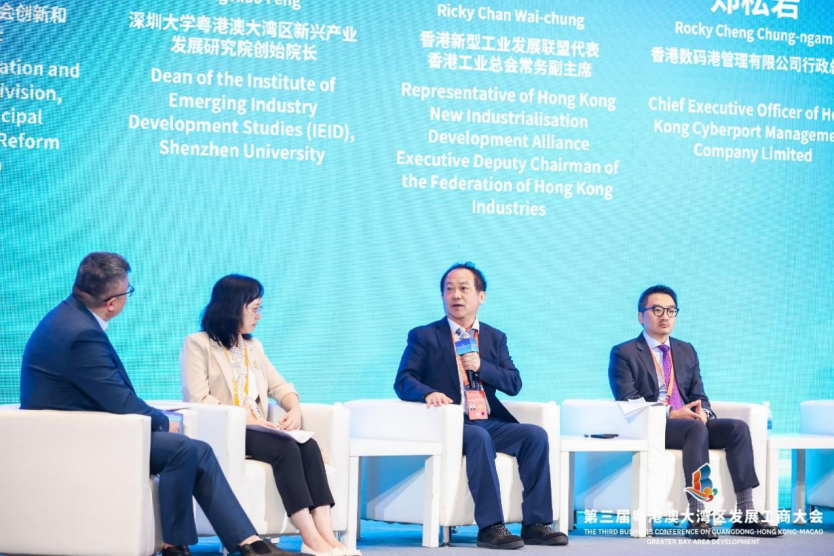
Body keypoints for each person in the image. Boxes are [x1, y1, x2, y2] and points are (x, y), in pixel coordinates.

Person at [19, 253, 288, 556]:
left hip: (83, 429)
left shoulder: (69, 317)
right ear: (112, 303)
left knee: (196, 450)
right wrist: (162, 421)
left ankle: (245, 543)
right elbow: (119, 400)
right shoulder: (80, 335)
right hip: (78, 440)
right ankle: (181, 546)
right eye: (128, 291)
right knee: (181, 448)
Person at [180, 275, 358, 556]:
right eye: (254, 308)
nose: (259, 316)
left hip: (258, 428)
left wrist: (294, 409)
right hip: (226, 430)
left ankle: (327, 536)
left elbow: (279, 386)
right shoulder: (198, 344)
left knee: (309, 446)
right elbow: (198, 398)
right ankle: (309, 536)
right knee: (286, 447)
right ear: (232, 307)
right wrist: (247, 419)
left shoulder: (253, 346)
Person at [394, 262, 567, 549]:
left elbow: (513, 383)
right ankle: (490, 527)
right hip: (450, 423)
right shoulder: (424, 336)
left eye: (464, 288)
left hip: (486, 419)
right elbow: (403, 380)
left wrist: (481, 366)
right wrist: (428, 393)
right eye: (449, 289)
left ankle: (536, 524)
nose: (456, 295)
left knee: (535, 435)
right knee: (478, 436)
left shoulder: (494, 337)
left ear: (481, 296)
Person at [608, 284, 783, 539]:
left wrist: (705, 413)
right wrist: (669, 413)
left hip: (691, 422)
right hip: (654, 424)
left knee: (737, 428)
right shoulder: (624, 352)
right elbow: (628, 399)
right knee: (695, 428)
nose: (665, 316)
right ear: (640, 316)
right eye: (657, 310)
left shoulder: (685, 350)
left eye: (671, 311)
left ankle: (746, 514)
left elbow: (699, 394)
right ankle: (697, 516)